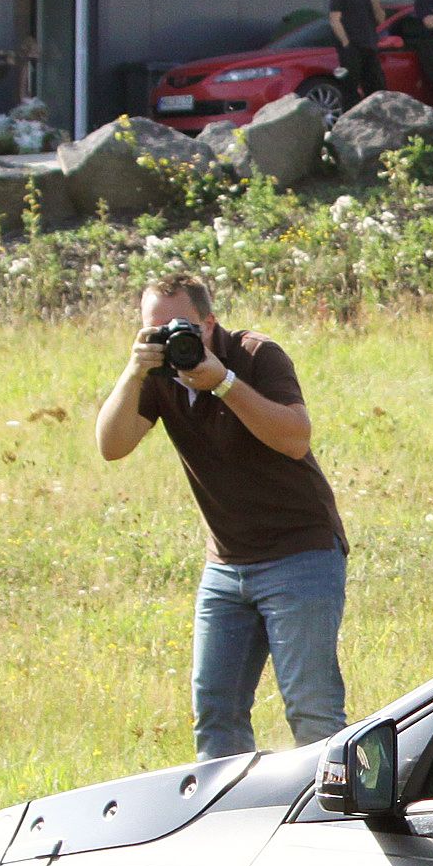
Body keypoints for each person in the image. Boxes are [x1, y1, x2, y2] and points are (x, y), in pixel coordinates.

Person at [94, 275, 350, 761]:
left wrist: (224, 385)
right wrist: (133, 372)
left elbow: (296, 438)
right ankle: (226, 826)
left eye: (182, 327)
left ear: (210, 323)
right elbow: (111, 447)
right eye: (155, 330)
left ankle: (332, 822)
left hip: (301, 554)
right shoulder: (156, 376)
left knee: (312, 712)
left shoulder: (256, 355)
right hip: (226, 565)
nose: (171, 339)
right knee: (216, 712)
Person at [326, 0, 386, 105]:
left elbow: (380, 19)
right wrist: (346, 43)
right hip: (352, 48)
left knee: (377, 88)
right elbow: (334, 19)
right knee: (350, 90)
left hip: (370, 46)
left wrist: (375, 2)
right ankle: (351, 125)